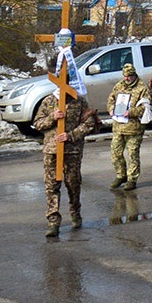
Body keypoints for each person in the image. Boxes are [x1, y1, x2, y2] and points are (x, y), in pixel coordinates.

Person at [34, 88, 100, 237]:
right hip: (52, 150)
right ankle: (53, 221)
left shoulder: (79, 101)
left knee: (73, 183)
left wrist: (70, 135)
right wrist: (52, 117)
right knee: (51, 186)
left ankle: (75, 213)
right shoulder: (49, 101)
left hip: (72, 150)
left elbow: (89, 123)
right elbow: (37, 123)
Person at [106, 63, 149, 191]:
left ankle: (132, 179)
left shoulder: (142, 88)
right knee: (115, 153)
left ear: (134, 75)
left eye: (129, 76)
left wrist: (131, 112)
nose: (127, 78)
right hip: (119, 126)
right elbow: (111, 100)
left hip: (134, 128)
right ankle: (121, 175)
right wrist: (111, 109)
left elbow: (146, 107)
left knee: (132, 154)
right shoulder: (119, 86)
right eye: (125, 76)